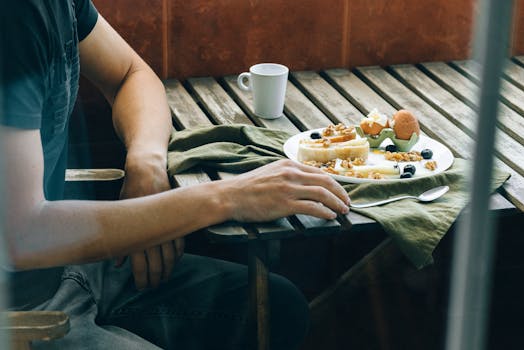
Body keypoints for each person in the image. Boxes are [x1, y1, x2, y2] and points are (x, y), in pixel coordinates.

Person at [0, 1, 350, 349]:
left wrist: (146, 163)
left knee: (279, 307)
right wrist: (227, 198)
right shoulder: (14, 15)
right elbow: (22, 235)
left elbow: (131, 75)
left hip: (68, 267)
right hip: (19, 312)